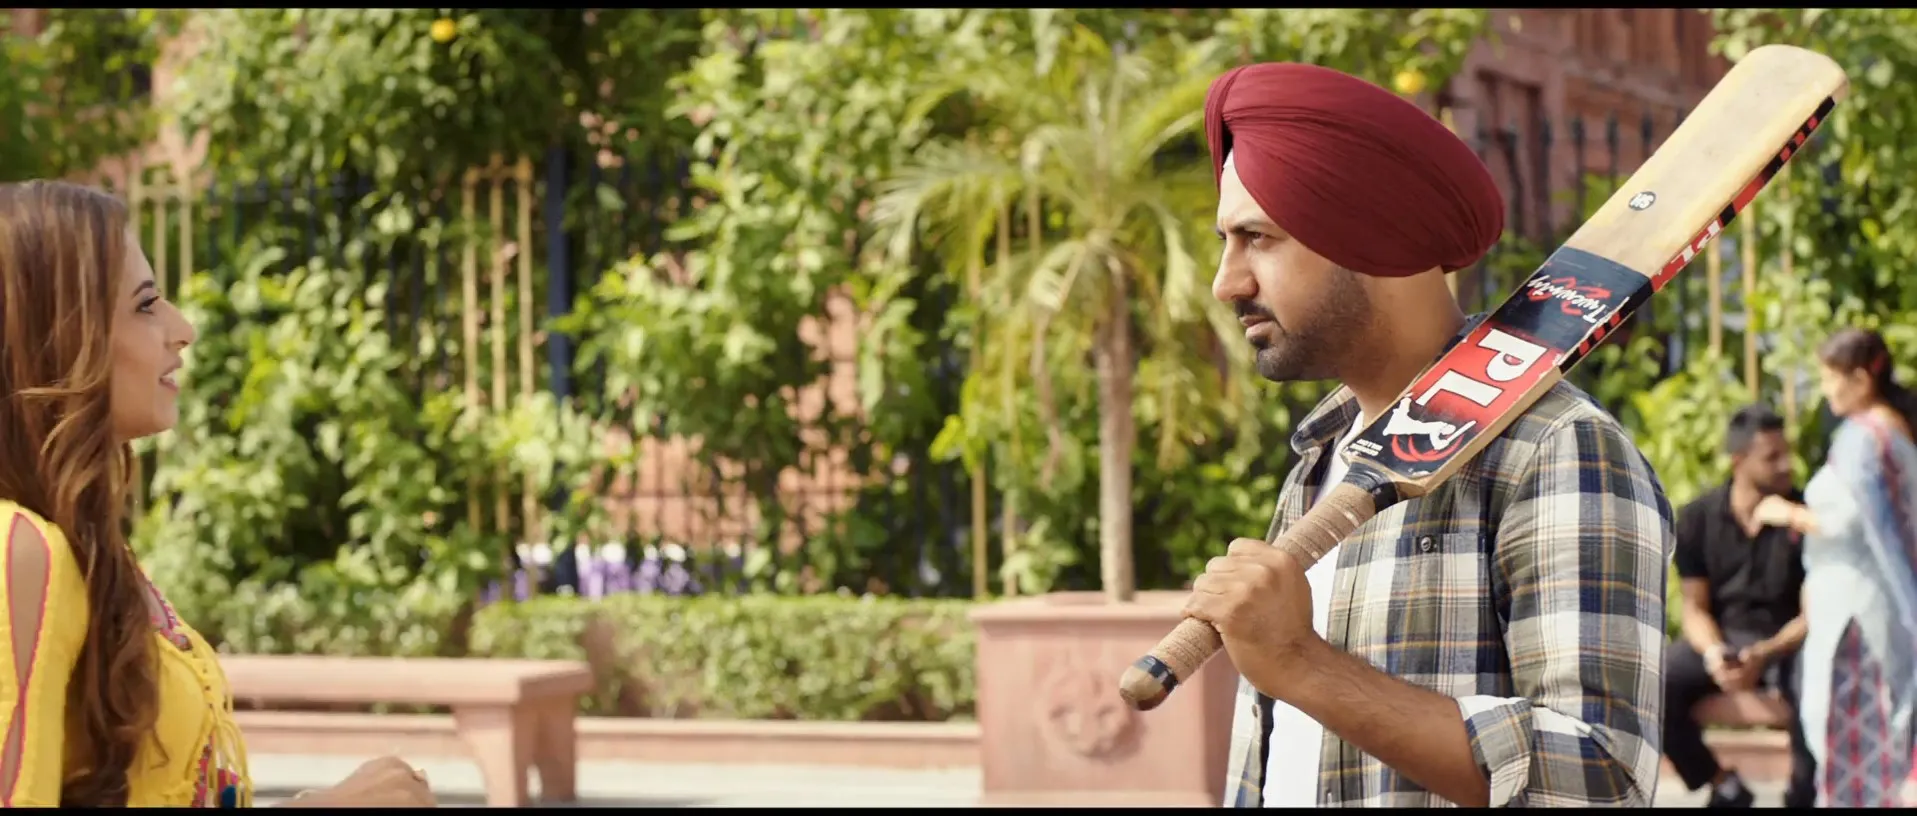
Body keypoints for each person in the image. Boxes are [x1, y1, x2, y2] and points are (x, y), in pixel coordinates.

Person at [1177, 63, 1675, 807]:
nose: (1227, 281)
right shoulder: (1322, 458)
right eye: (1227, 240)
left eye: (1258, 238)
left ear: (1372, 239)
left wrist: (1302, 664)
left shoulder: (1555, 450)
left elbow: (1601, 781)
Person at [0, 180, 437, 807]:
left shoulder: (86, 546)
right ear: (60, 335)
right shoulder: (17, 550)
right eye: (146, 305)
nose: (182, 329)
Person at [1750, 327, 1917, 807]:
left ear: (1860, 379)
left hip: (1858, 615)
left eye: (1829, 378)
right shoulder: (1892, 431)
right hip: (1870, 607)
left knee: (1854, 739)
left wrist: (1787, 513)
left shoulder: (1864, 439)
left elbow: (1847, 520)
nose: (1825, 390)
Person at [1663, 404, 1814, 808]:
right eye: (1772, 457)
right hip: (1725, 640)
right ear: (1738, 461)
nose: (1786, 465)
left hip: (1787, 644)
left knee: (1815, 680)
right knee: (1654, 678)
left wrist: (1764, 654)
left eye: (1786, 454)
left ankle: (1803, 794)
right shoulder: (1697, 518)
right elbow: (1695, 608)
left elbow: (1811, 616)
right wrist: (1715, 653)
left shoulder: (1801, 515)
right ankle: (1721, 782)